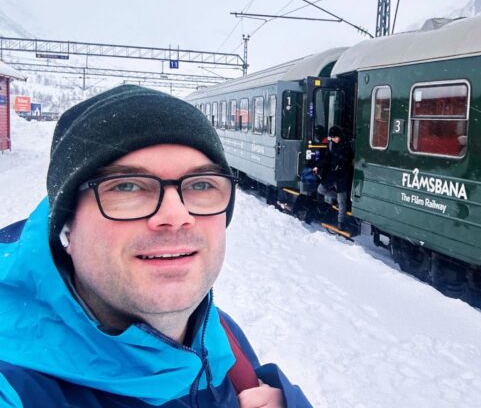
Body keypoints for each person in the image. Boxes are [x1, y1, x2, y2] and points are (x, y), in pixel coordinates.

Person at [0, 85, 313, 408]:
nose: (177, 216)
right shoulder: (14, 387)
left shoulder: (218, 334)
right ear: (67, 225)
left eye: (201, 185)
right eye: (127, 186)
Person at [312, 126, 354, 231]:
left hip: (342, 176)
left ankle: (341, 222)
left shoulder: (346, 146)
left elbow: (347, 161)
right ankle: (340, 200)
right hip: (333, 174)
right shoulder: (331, 145)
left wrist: (340, 165)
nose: (334, 139)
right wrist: (318, 166)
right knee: (321, 189)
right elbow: (327, 158)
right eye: (332, 138)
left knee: (341, 200)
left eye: (335, 137)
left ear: (339, 136)